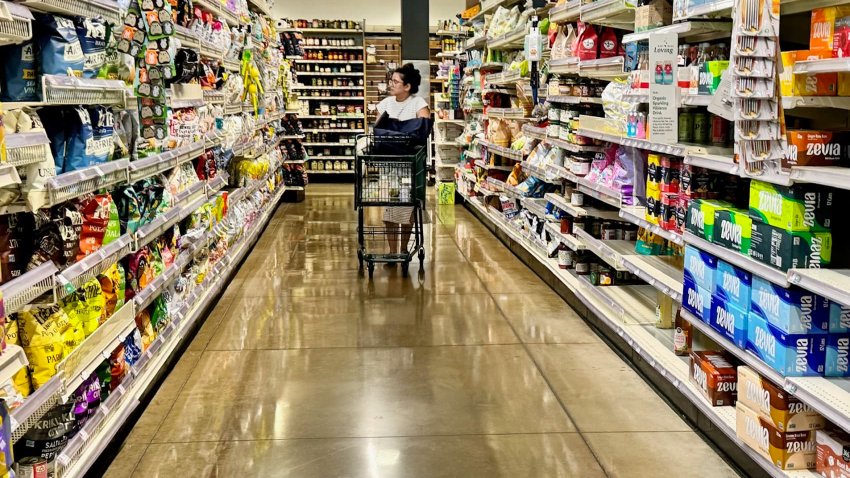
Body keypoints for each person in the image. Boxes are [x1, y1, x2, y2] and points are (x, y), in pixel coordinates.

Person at [376, 63, 430, 261]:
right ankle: (392, 251)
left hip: (410, 167)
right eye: (391, 81)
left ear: (407, 86)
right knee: (390, 208)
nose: (391, 84)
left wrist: (394, 132)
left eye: (395, 81)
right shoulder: (385, 104)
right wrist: (404, 132)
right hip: (389, 166)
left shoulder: (419, 104)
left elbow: (422, 133)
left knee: (407, 208)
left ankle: (404, 249)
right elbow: (378, 133)